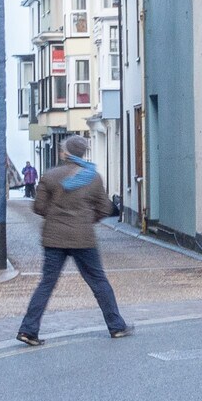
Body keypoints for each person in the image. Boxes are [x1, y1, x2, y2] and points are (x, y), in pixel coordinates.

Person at [16, 136, 131, 346]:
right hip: (83, 238)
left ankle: (28, 330)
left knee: (46, 284)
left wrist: (55, 216)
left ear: (65, 153)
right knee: (98, 281)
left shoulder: (50, 176)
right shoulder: (93, 177)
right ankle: (116, 326)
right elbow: (105, 208)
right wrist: (86, 220)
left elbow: (38, 207)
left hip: (54, 238)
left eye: (62, 149)